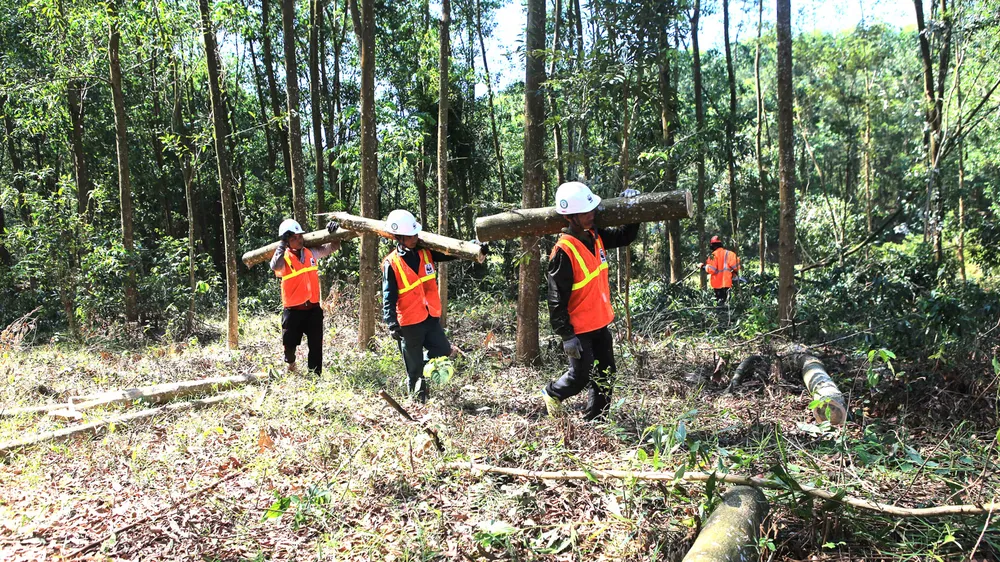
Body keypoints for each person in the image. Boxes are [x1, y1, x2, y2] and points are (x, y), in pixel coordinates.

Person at [541, 182, 642, 421]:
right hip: (579, 329)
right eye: (586, 212)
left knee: (607, 374)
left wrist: (632, 208)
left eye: (592, 209)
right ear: (571, 217)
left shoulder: (595, 235)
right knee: (580, 377)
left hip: (599, 322)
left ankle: (596, 419)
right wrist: (567, 335)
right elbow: (555, 299)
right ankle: (552, 392)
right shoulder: (563, 252)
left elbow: (625, 236)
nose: (592, 214)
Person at [382, 209, 457, 402]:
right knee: (414, 370)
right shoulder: (392, 263)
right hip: (409, 321)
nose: (415, 237)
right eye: (410, 236)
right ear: (399, 237)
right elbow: (388, 295)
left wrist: (473, 248)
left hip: (430, 316)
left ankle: (421, 367)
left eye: (415, 234)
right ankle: (418, 402)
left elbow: (450, 253)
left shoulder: (425, 253)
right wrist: (391, 322)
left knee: (442, 351)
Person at [270, 219, 341, 375]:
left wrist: (334, 232)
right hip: (293, 310)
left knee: (316, 345)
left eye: (299, 236)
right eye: (293, 238)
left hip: (313, 308)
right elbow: (275, 266)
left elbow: (333, 246)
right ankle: (291, 364)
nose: (298, 240)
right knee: (289, 345)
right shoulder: (284, 258)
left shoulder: (311, 253)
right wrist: (282, 243)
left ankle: (315, 375)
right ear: (286, 241)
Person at [703, 235, 741, 307]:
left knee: (719, 304)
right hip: (728, 283)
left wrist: (703, 267)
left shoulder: (713, 256)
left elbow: (711, 269)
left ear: (712, 246)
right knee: (728, 304)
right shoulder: (730, 254)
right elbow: (736, 267)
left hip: (717, 285)